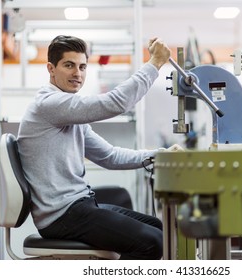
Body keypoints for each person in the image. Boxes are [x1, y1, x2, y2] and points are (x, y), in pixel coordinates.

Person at [17, 35, 181, 260]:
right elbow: (114, 103)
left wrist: (157, 155)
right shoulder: (50, 104)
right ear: (50, 69)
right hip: (62, 216)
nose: (78, 74)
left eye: (82, 66)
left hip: (80, 205)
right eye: (69, 65)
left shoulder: (68, 111)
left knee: (158, 227)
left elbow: (109, 156)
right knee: (152, 242)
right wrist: (154, 64)